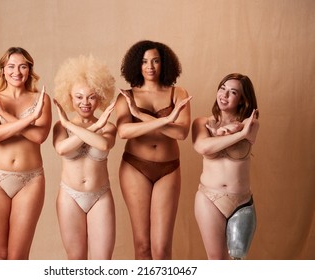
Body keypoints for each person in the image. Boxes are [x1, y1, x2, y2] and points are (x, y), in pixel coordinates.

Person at [115, 40, 192, 259]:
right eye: (144, 61)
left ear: (164, 64)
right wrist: (167, 120)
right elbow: (124, 131)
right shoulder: (126, 95)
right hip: (135, 167)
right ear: (136, 65)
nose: (150, 66)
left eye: (156, 61)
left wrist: (140, 116)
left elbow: (181, 133)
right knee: (142, 246)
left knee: (162, 249)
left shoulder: (178, 93)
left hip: (168, 168)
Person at [0, 47, 52, 259]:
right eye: (11, 66)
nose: (16, 72)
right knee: (0, 255)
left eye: (22, 66)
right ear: (2, 70)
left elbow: (39, 137)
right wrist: (30, 119)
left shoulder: (42, 99)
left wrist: (4, 115)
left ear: (29, 70)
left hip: (30, 180)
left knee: (18, 257)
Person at [52, 55, 117, 260]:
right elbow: (62, 149)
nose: (85, 103)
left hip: (100, 196)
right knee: (76, 262)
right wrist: (91, 127)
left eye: (91, 96)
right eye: (78, 97)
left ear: (100, 97)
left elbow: (104, 144)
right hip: (69, 196)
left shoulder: (108, 126)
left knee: (102, 264)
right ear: (69, 98)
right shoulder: (59, 127)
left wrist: (81, 125)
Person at [192, 73, 259, 260]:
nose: (224, 95)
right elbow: (202, 146)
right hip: (209, 199)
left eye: (233, 92)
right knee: (217, 262)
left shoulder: (251, 125)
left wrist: (226, 132)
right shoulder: (201, 123)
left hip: (242, 201)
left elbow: (250, 134)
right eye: (222, 88)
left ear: (242, 99)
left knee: (236, 263)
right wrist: (239, 135)